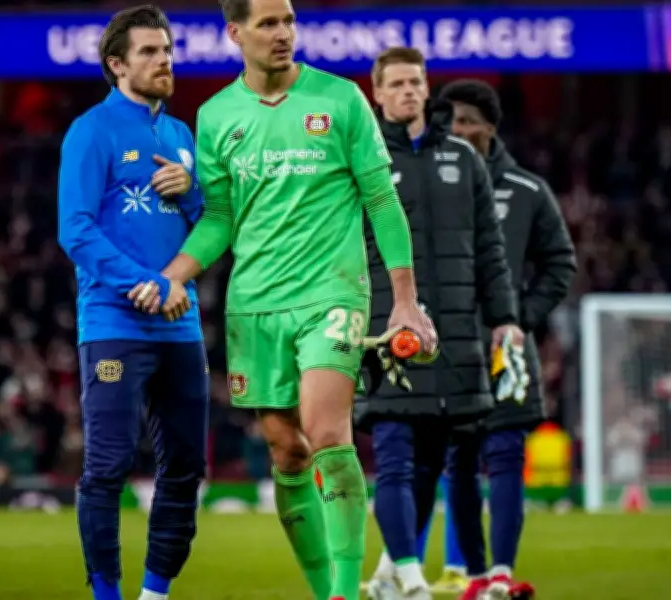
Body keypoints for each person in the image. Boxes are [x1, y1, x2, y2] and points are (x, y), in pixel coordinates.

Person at [129, 2, 436, 600]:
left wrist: (405, 302)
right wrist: (173, 276)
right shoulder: (217, 116)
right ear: (235, 32)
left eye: (288, 20)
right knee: (286, 451)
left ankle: (346, 593)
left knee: (326, 433)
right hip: (255, 304)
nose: (283, 33)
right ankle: (325, 590)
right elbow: (219, 218)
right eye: (268, 22)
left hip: (332, 294)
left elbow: (380, 201)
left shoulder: (341, 99)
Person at [354, 48, 527, 600]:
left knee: (432, 464)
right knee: (396, 456)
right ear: (377, 95)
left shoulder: (464, 159)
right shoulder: (361, 162)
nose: (407, 91)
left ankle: (387, 575)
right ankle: (410, 579)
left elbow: (490, 250)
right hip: (387, 335)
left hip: (454, 337)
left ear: (427, 89)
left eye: (415, 82)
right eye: (396, 84)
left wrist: (503, 320)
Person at [57, 6, 209, 600]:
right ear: (117, 64)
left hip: (180, 325)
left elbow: (207, 226)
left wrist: (192, 190)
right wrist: (144, 283)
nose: (164, 59)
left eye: (167, 49)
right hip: (116, 322)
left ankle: (155, 594)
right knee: (108, 468)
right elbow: (74, 229)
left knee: (185, 468)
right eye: (149, 51)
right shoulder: (91, 130)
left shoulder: (180, 135)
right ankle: (107, 596)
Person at [415, 79, 577, 600]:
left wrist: (520, 318)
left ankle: (502, 572)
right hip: (447, 349)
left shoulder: (527, 191)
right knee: (456, 460)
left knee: (506, 454)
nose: (457, 130)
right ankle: (477, 574)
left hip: (506, 350)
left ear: (490, 127)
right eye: (450, 121)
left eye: (467, 121)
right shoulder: (426, 185)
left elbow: (559, 263)